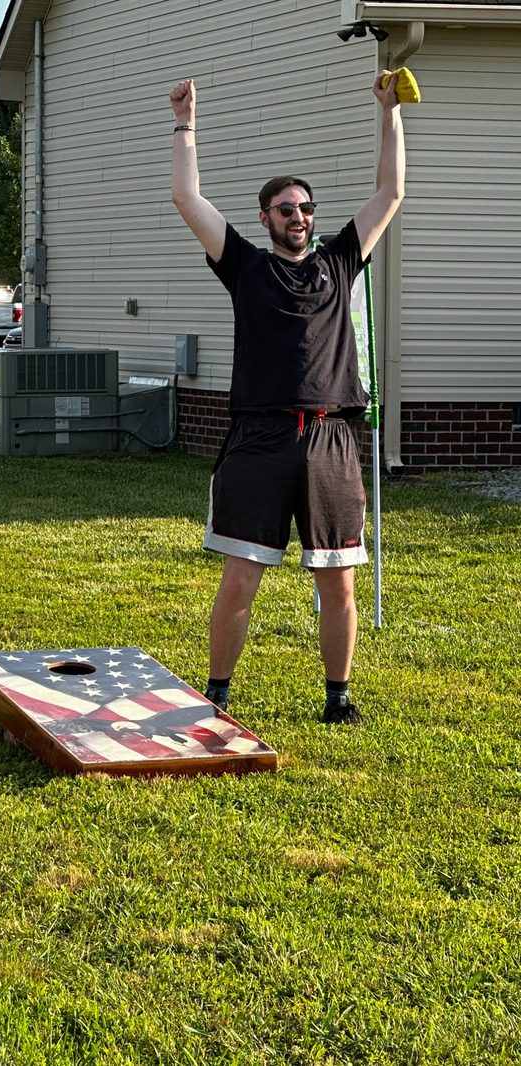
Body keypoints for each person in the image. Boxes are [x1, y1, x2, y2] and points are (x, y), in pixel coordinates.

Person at [170, 73, 405, 724]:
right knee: (242, 576)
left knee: (339, 579)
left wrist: (389, 114)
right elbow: (186, 196)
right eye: (285, 209)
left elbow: (390, 191)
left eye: (305, 208)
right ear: (265, 218)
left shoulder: (340, 262)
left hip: (331, 439)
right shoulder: (245, 265)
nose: (298, 217)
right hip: (260, 439)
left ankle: (338, 698)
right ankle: (216, 693)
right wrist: (186, 124)